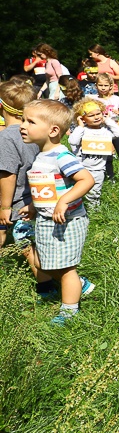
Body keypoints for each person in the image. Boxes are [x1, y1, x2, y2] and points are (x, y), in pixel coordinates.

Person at [20, 100, 96, 325]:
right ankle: (80, 285)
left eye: (30, 122)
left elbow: (86, 179)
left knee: (65, 268)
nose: (23, 126)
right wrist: (34, 206)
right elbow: (47, 187)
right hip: (47, 219)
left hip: (67, 222)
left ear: (53, 131)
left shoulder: (61, 155)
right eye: (23, 120)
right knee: (45, 264)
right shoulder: (42, 154)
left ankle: (69, 310)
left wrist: (64, 200)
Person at [0, 80, 57, 300]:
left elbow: (7, 174)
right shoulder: (35, 131)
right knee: (28, 242)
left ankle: (57, 284)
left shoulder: (6, 138)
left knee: (25, 244)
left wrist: (5, 206)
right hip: (33, 198)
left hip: (13, 201)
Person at [69, 99, 119, 207]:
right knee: (77, 192)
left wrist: (107, 120)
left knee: (94, 193)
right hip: (82, 168)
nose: (96, 117)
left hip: (98, 169)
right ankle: (77, 208)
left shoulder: (105, 131)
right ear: (82, 118)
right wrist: (80, 126)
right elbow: (72, 141)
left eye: (98, 114)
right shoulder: (83, 131)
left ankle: (94, 212)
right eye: (91, 115)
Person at [92, 73, 119, 179]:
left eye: (105, 85)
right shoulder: (93, 100)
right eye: (100, 85)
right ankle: (110, 177)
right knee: (108, 156)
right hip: (102, 130)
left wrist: (118, 112)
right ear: (96, 85)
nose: (103, 88)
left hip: (115, 129)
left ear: (111, 86)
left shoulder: (115, 99)